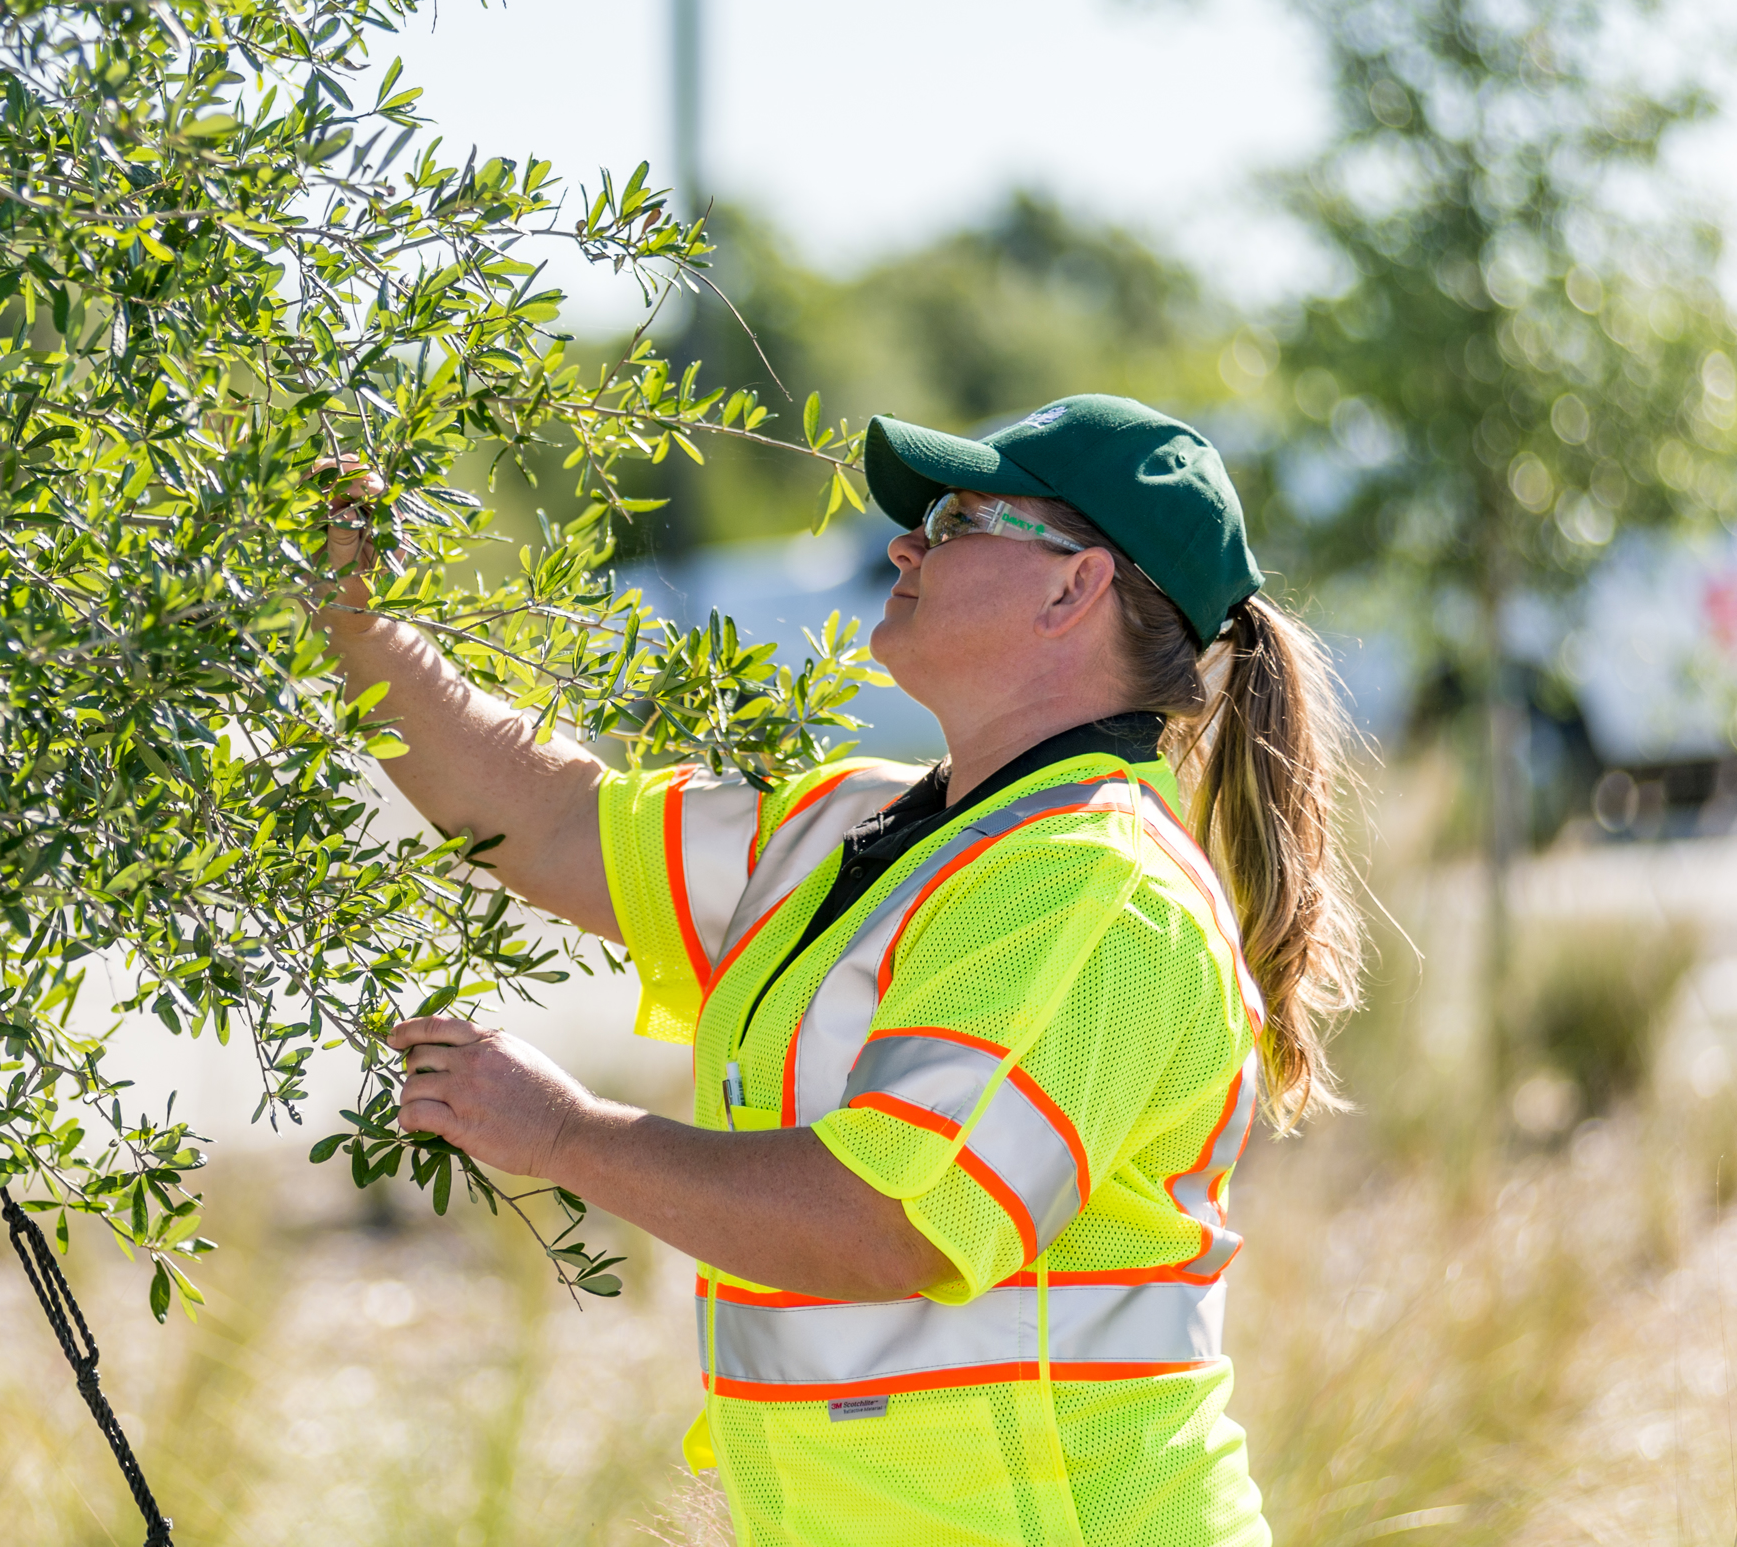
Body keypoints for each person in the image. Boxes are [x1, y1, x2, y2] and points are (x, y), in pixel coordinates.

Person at [314, 395, 1361, 1547]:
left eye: (958, 518)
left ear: (1075, 588)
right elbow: (547, 823)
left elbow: (884, 1220)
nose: (905, 543)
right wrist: (356, 622)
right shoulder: (857, 822)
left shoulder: (1094, 883)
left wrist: (560, 1133)